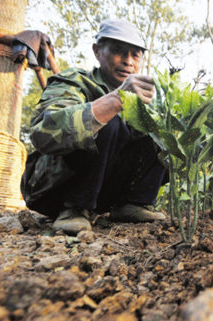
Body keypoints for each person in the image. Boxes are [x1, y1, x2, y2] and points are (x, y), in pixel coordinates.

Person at [21, 19, 167, 234]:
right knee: (108, 119)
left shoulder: (143, 100)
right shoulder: (75, 81)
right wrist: (113, 101)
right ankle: (74, 209)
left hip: (104, 194)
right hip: (54, 188)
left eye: (135, 55)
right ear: (97, 51)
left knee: (160, 130)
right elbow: (43, 133)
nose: (128, 61)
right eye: (118, 51)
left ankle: (133, 204)